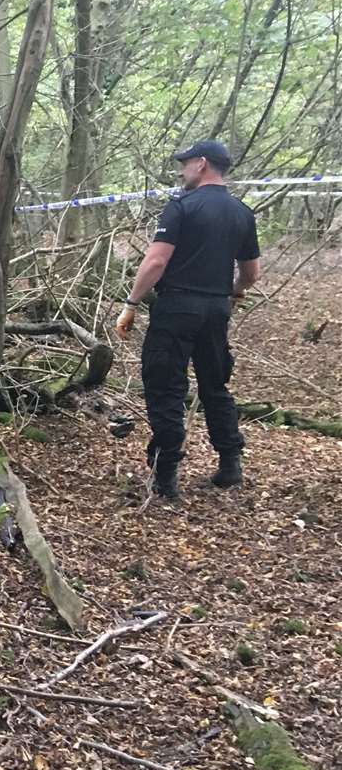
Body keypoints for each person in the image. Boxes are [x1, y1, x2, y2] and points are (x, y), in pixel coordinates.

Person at [116, 140, 259, 500]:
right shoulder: (242, 213)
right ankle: (230, 464)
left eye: (185, 164)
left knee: (165, 385)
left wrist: (131, 303)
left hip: (177, 307)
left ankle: (165, 476)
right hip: (216, 310)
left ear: (201, 164)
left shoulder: (182, 207)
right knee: (215, 384)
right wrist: (234, 292)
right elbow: (251, 274)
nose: (181, 171)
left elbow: (156, 262)